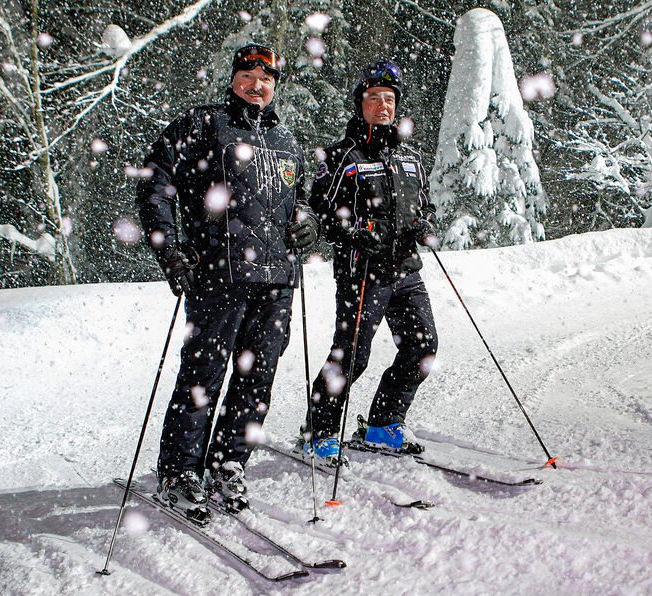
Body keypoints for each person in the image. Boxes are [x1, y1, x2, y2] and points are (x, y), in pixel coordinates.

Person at [136, 43, 317, 525]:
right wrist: (170, 251)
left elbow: (302, 201)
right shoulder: (202, 125)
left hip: (277, 281)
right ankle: (178, 473)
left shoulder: (286, 141)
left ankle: (227, 463)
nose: (258, 84)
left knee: (257, 380)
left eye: (267, 78)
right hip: (218, 275)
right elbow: (155, 182)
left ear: (275, 85)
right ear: (234, 78)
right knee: (203, 378)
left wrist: (308, 223)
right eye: (248, 74)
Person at [300, 59, 439, 466]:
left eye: (389, 99)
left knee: (423, 346)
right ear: (360, 104)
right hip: (363, 272)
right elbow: (319, 210)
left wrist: (424, 223)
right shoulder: (343, 156)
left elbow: (426, 204)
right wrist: (356, 229)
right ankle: (319, 431)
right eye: (374, 98)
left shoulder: (411, 156)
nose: (382, 106)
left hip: (405, 270)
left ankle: (383, 423)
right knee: (351, 356)